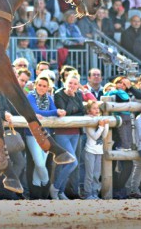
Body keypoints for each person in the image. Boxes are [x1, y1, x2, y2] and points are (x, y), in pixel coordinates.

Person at [26, 75, 62, 198]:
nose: (41, 88)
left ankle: (38, 197)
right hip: (32, 134)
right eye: (40, 85)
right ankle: (48, 185)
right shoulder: (30, 96)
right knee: (39, 163)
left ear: (48, 88)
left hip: (46, 134)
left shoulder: (49, 98)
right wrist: (54, 112)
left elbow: (53, 111)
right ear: (36, 85)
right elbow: (35, 111)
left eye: (44, 86)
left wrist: (53, 112)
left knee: (39, 167)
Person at [51, 72, 84, 200]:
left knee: (65, 163)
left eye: (75, 84)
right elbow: (63, 112)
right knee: (72, 162)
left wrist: (73, 112)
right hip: (62, 132)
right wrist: (70, 97)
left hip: (75, 132)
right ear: (65, 82)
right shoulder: (59, 94)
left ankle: (60, 192)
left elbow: (82, 112)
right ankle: (55, 187)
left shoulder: (79, 94)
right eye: (70, 83)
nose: (72, 86)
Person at [83, 100, 108, 199]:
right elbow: (95, 137)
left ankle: (94, 192)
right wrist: (101, 127)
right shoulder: (88, 120)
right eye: (94, 108)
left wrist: (105, 125)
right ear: (89, 110)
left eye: (97, 108)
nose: (97, 110)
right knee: (89, 174)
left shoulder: (100, 119)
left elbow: (104, 136)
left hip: (99, 151)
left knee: (97, 174)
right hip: (90, 151)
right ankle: (87, 193)